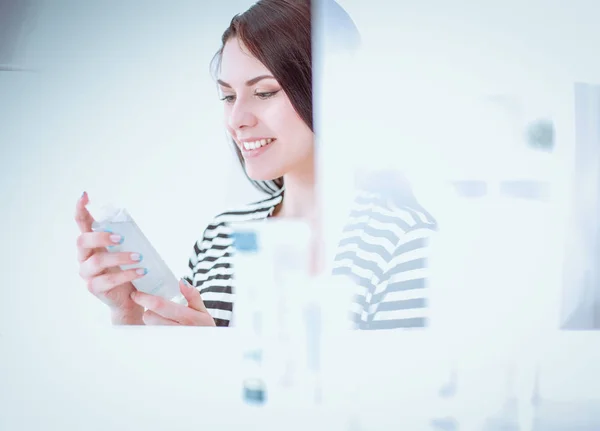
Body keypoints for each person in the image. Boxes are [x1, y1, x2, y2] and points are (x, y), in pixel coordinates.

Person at [74, 0, 437, 330]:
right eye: (228, 96)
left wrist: (214, 357)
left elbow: (394, 399)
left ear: (331, 88)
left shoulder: (403, 240)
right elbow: (169, 393)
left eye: (264, 92)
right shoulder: (220, 237)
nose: (237, 118)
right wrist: (132, 317)